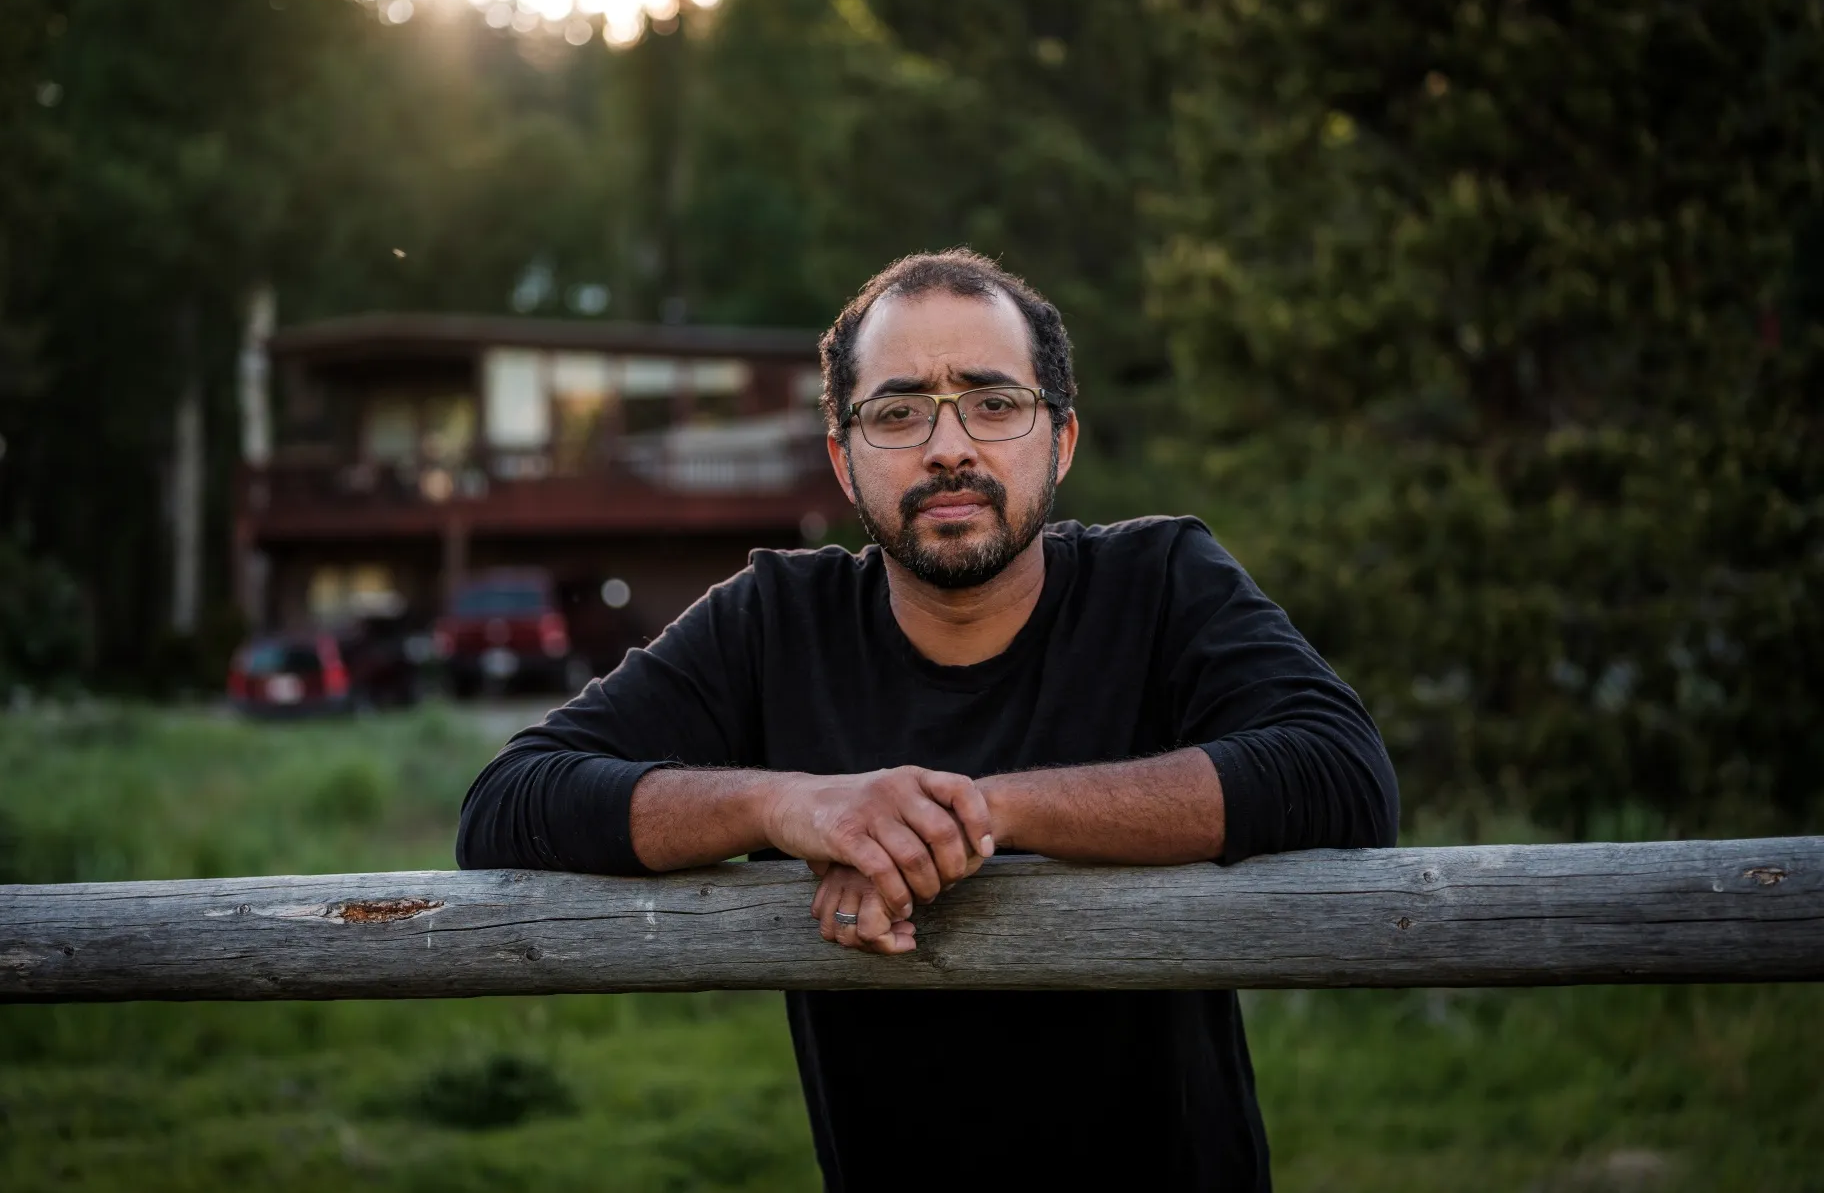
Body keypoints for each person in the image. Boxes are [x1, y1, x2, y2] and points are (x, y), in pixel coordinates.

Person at [457, 248, 1398, 1191]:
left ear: (1060, 440)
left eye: (995, 405)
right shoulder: (778, 620)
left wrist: (980, 814)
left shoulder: (1161, 583)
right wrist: (793, 808)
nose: (950, 447)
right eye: (898, 413)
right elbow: (511, 801)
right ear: (843, 458)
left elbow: (1341, 773)